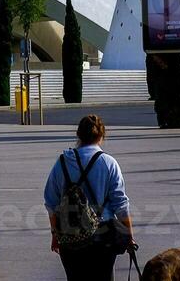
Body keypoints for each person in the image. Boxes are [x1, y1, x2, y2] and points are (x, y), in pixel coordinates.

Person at [44, 114, 133, 281]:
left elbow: (51, 203)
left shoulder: (62, 162)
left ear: (78, 135)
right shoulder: (109, 163)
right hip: (103, 233)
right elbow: (120, 204)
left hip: (69, 234)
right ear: (101, 136)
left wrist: (55, 234)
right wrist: (129, 235)